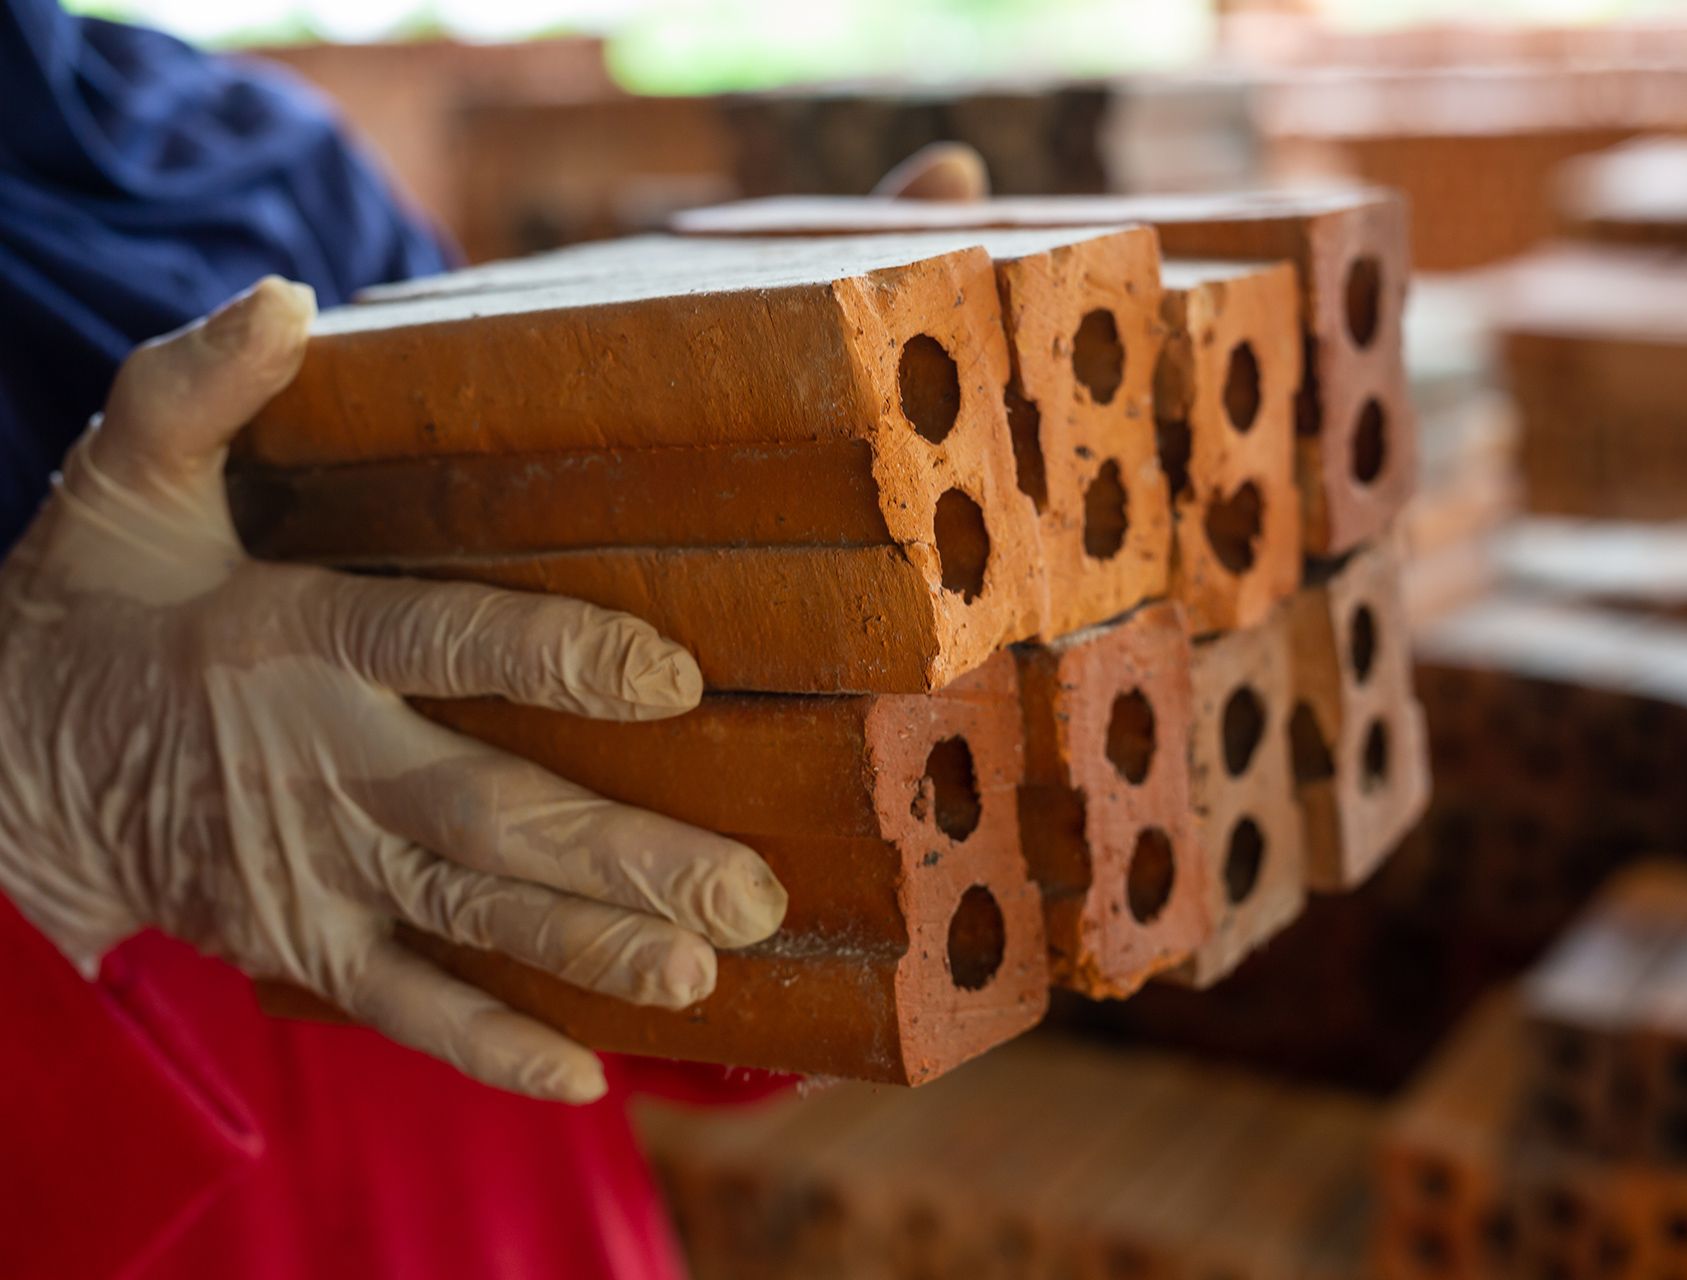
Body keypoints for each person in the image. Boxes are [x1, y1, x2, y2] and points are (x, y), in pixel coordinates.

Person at [0, 0, 982, 1275]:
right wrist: (32, 824)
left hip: (506, 1214)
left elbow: (533, 825)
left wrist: (793, 671)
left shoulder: (241, 154)